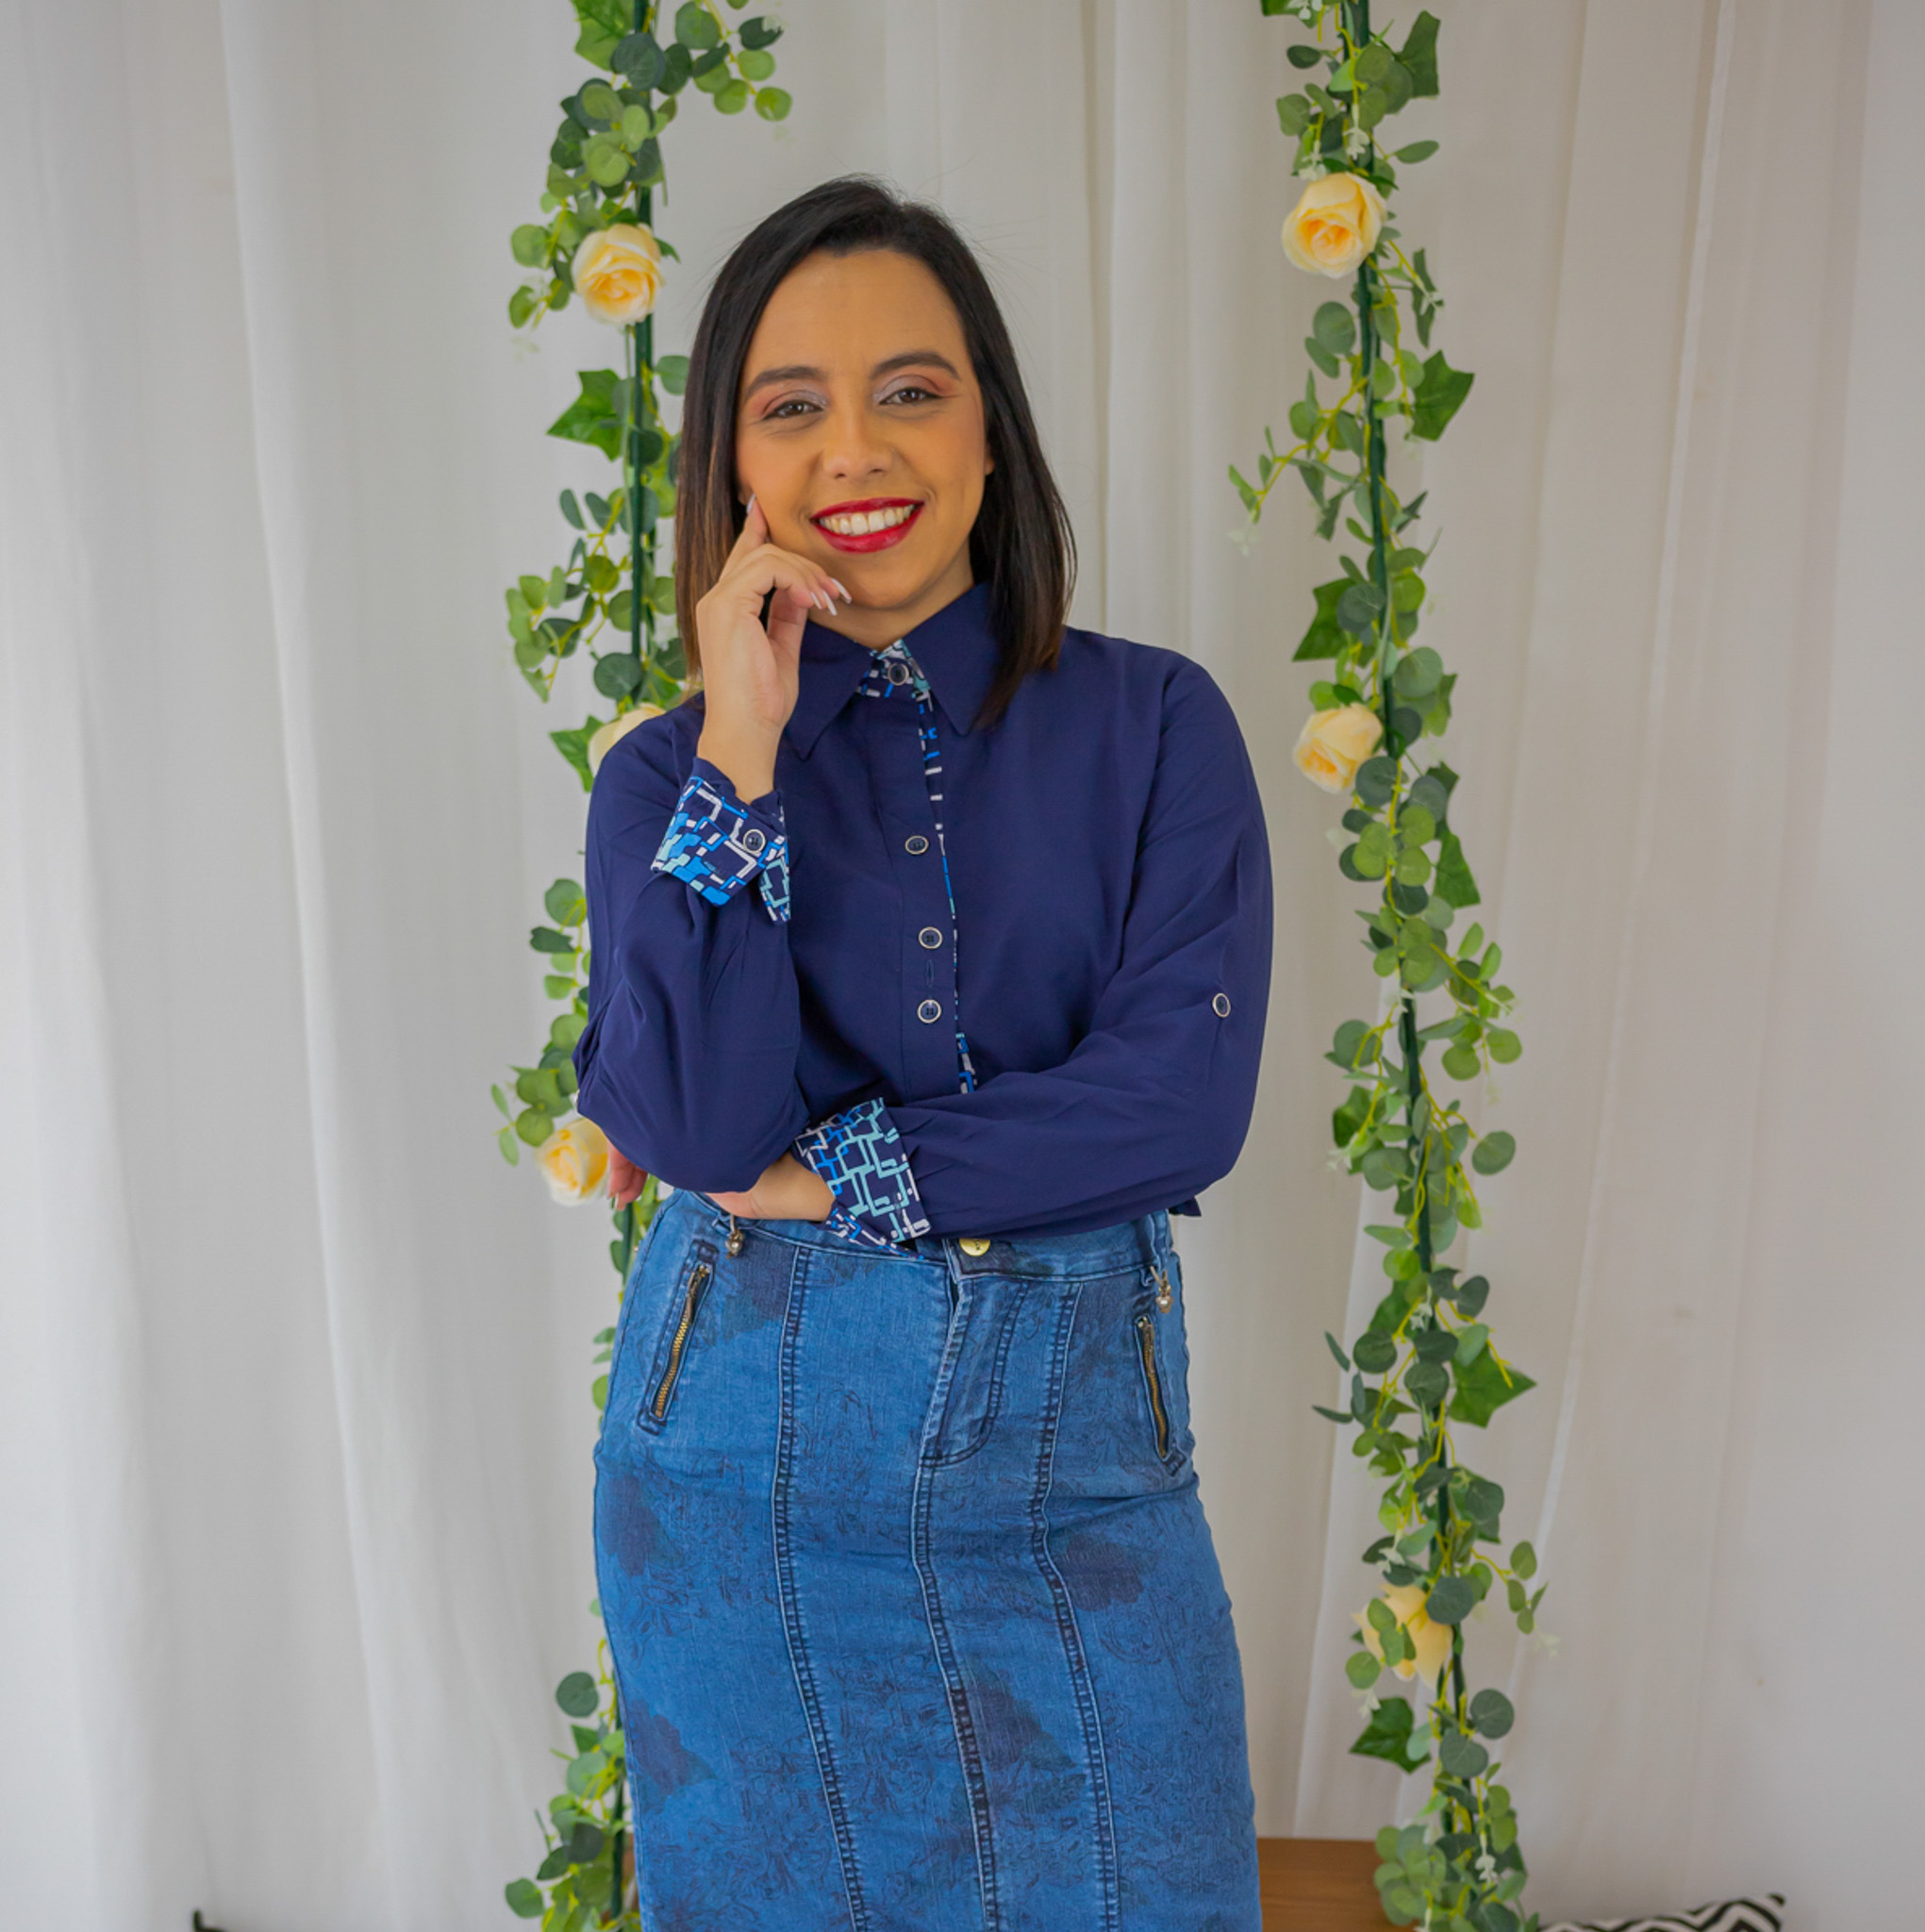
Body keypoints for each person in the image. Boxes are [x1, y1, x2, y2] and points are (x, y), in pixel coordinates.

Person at [574, 175, 1272, 1932]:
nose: (855, 449)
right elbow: (698, 1123)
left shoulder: (1157, 723)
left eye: (910, 389)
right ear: (732, 463)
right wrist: (746, 747)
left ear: (987, 431)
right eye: (790, 406)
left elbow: (1179, 1102)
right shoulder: (668, 779)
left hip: (1079, 1485)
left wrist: (847, 1173)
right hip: (740, 1490)